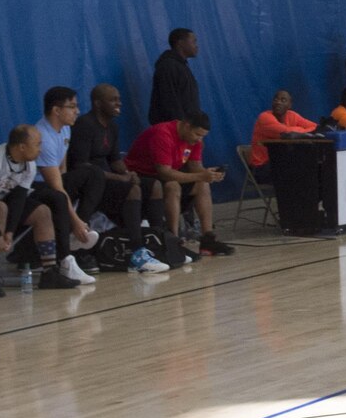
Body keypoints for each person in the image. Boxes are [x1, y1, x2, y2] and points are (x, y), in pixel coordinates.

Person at [0, 127, 83, 295]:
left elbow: (18, 200)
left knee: (42, 212)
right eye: (37, 144)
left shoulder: (29, 166)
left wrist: (10, 231)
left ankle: (50, 273)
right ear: (22, 147)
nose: (41, 149)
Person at [68, 84, 165, 274]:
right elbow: (82, 166)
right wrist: (121, 179)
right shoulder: (85, 125)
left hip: (109, 180)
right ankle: (137, 254)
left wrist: (129, 173)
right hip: (90, 186)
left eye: (119, 99)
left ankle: (158, 243)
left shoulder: (112, 126)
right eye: (113, 99)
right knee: (132, 189)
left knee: (154, 185)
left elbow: (114, 160)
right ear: (97, 103)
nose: (119, 103)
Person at [125, 112, 233, 260]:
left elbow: (195, 166)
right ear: (186, 126)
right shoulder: (163, 134)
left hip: (164, 176)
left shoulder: (194, 141)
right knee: (173, 186)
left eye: (202, 136)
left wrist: (209, 174)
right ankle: (173, 240)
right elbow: (164, 173)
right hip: (140, 177)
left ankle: (207, 239)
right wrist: (201, 175)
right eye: (197, 134)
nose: (199, 139)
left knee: (202, 184)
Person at [33, 86, 101, 280]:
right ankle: (66, 256)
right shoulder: (43, 137)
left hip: (54, 182)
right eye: (72, 107)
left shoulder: (65, 129)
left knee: (94, 174)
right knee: (59, 197)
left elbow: (62, 173)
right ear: (56, 110)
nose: (77, 111)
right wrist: (75, 220)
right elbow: (55, 184)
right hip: (35, 187)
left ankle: (75, 233)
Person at [250, 90, 319, 182]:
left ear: (289, 105)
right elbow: (286, 134)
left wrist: (298, 133)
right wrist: (304, 133)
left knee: (308, 165)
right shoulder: (264, 117)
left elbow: (315, 128)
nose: (278, 102)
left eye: (283, 100)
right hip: (262, 168)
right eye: (276, 99)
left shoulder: (292, 116)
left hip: (281, 162)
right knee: (299, 169)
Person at [149, 27, 201, 124]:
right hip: (175, 130)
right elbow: (169, 101)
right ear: (180, 43)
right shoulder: (168, 66)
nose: (197, 46)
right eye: (193, 42)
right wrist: (180, 128)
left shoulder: (181, 66)